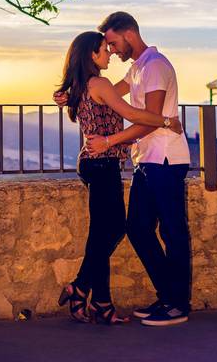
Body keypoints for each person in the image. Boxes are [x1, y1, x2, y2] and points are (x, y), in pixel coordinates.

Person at [55, 31, 183, 325]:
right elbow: (128, 111)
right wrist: (166, 121)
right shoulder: (98, 83)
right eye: (104, 48)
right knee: (111, 230)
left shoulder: (82, 84)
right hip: (102, 165)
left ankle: (101, 303)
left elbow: (87, 101)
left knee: (101, 233)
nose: (109, 53)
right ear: (91, 54)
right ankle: (80, 287)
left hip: (94, 164)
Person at [81, 11, 193, 326]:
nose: (113, 51)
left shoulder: (156, 67)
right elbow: (107, 94)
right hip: (147, 160)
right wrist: (73, 92)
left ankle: (178, 305)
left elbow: (148, 118)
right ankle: (168, 296)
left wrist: (109, 141)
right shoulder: (139, 68)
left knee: (173, 232)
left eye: (114, 43)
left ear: (128, 33)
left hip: (166, 160)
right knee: (138, 228)